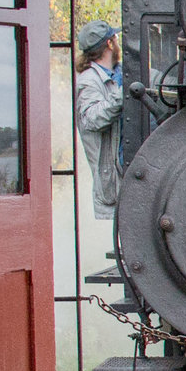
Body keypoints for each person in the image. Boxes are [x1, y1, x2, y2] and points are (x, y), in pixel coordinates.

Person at [75, 19, 124, 223]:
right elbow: (92, 119)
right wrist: (122, 96)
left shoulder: (121, 72)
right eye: (116, 37)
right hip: (116, 174)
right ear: (110, 44)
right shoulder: (88, 81)